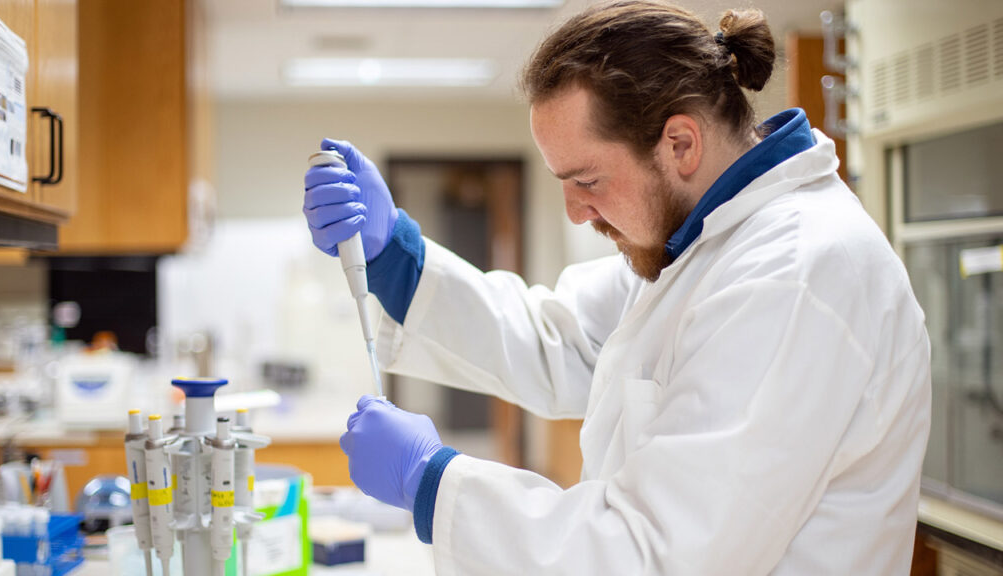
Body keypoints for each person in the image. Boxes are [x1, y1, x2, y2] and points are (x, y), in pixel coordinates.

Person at [302, 1, 931, 573]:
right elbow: (559, 341)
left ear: (680, 143)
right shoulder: (700, 244)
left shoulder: (794, 272)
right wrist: (394, 260)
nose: (576, 212)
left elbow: (657, 552)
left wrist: (433, 483)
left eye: (587, 181)